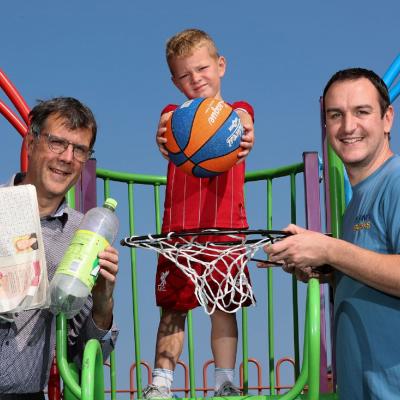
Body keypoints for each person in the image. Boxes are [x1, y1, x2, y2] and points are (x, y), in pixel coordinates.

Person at [264, 68, 400, 399]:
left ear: (387, 119)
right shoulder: (357, 203)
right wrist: (327, 269)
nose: (348, 126)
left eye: (362, 112)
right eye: (335, 115)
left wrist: (329, 250)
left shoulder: (395, 182)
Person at [143, 29, 255, 399]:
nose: (196, 79)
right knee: (173, 312)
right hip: (178, 234)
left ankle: (224, 380)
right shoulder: (174, 117)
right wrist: (164, 136)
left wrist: (241, 123)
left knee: (224, 307)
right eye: (184, 75)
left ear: (221, 65)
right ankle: (161, 384)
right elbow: (164, 135)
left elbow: (243, 116)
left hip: (225, 230)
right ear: (174, 81)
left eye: (203, 68)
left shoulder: (237, 114)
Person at [0, 97, 119, 398]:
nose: (67, 157)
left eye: (79, 149)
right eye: (57, 143)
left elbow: (83, 356)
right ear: (31, 142)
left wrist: (103, 302)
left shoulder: (83, 235)